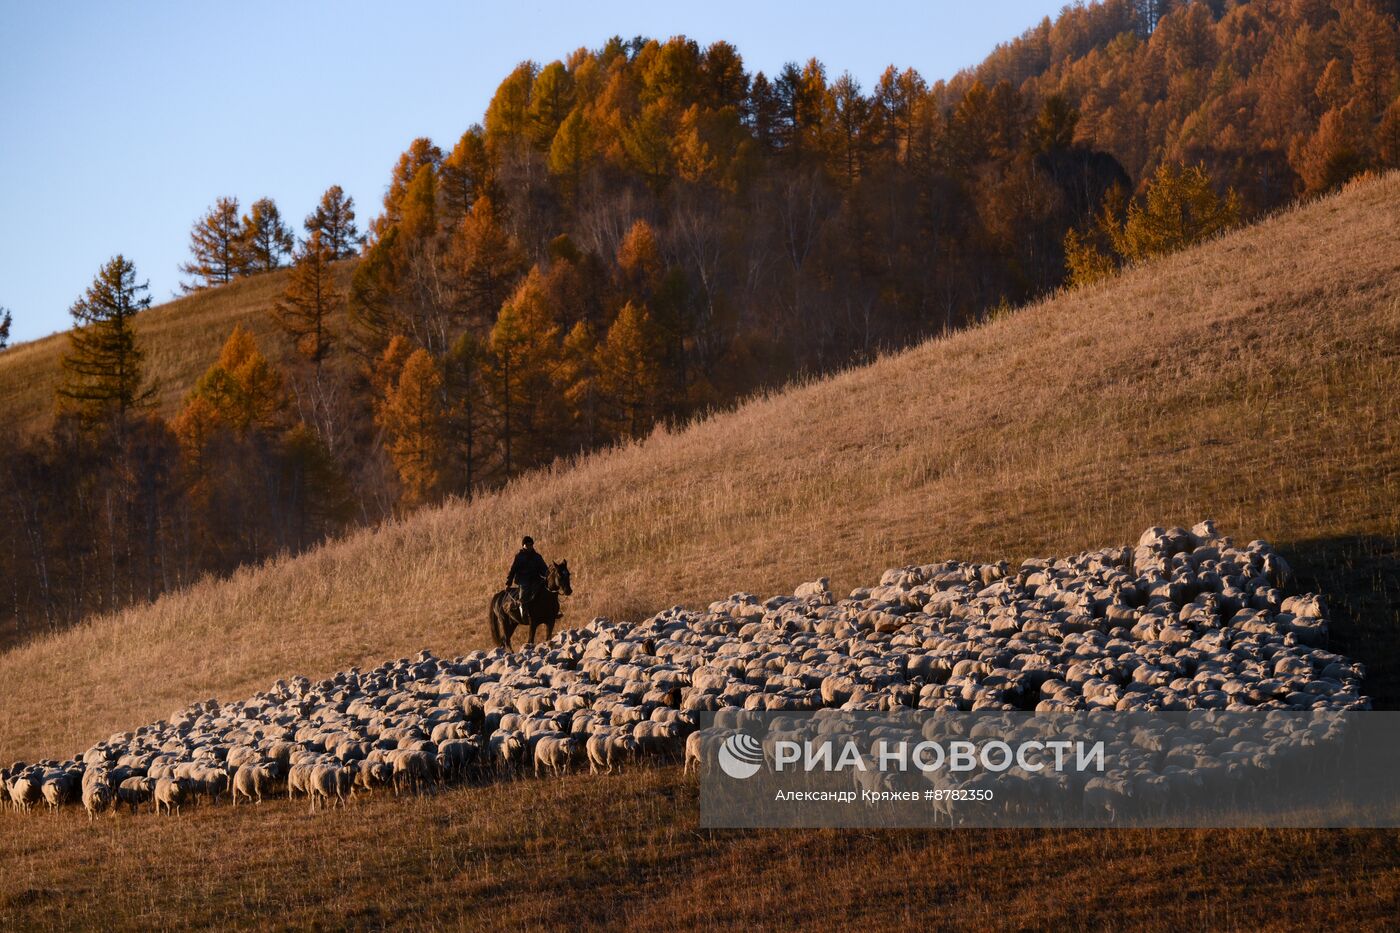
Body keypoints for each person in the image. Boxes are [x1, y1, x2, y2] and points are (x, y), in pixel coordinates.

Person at [506, 536, 549, 622]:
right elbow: (513, 570)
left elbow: (544, 569)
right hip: (523, 580)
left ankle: (552, 611)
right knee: (524, 596)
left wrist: (547, 575)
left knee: (546, 591)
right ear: (523, 546)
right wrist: (508, 583)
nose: (529, 546)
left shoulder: (537, 557)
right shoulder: (519, 557)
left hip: (536, 579)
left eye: (530, 545)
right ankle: (524, 614)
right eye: (527, 545)